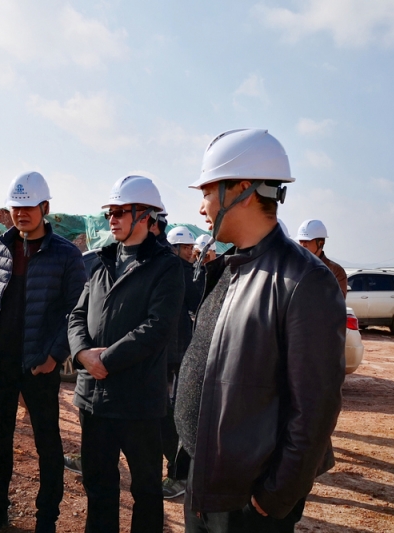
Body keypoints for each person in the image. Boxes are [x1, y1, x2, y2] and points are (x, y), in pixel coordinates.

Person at [174, 129, 346, 532]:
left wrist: (276, 495)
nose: (201, 207)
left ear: (244, 190)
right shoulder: (232, 266)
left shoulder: (304, 281)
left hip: (248, 500)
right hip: (207, 481)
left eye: (207, 191)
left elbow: (315, 408)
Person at [0, 171, 87, 533]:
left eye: (28, 207)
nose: (21, 214)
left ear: (45, 207)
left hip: (39, 365)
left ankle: (46, 520)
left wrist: (55, 355)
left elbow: (76, 310)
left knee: (47, 444)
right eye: (15, 207)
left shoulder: (66, 255)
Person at [68, 175, 184, 533]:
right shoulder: (103, 262)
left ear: (146, 216)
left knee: (146, 490)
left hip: (138, 402)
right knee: (99, 485)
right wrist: (82, 354)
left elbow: (157, 327)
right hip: (94, 399)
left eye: (120, 212)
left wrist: (105, 360)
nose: (112, 219)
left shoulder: (165, 267)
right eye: (110, 213)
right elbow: (76, 315)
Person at [161, 227, 203, 499]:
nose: (191, 251)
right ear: (174, 248)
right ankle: (178, 472)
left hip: (176, 356)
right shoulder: (182, 272)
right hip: (172, 356)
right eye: (186, 247)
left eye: (191, 247)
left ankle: (179, 473)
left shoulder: (177, 270)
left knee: (173, 415)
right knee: (170, 414)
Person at [297, 219, 348, 297]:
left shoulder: (336, 271)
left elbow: (338, 300)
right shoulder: (294, 267)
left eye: (307, 240)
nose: (303, 245)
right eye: (301, 240)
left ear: (320, 243)